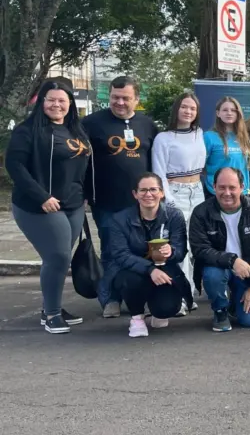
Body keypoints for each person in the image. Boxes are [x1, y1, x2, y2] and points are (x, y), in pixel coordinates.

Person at [5, 80, 91, 333]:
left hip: (73, 205)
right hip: (39, 206)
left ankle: (50, 306)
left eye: (62, 100)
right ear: (41, 102)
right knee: (58, 256)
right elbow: (15, 167)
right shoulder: (27, 130)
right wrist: (42, 196)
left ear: (70, 104)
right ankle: (51, 313)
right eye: (51, 100)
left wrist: (85, 195)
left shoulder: (75, 129)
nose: (57, 105)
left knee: (59, 259)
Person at [82, 76, 159, 317]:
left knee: (144, 251)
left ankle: (142, 297)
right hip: (106, 201)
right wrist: (83, 193)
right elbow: (80, 161)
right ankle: (110, 299)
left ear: (137, 99)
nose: (120, 102)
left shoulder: (148, 125)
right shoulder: (91, 123)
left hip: (143, 203)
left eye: (126, 98)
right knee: (111, 251)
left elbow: (156, 162)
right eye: (115, 97)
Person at [189, 167, 250, 331]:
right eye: (222, 187)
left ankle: (235, 303)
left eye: (232, 187)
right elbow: (200, 250)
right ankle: (220, 310)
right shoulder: (201, 212)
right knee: (213, 274)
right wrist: (232, 260)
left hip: (248, 271)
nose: (227, 192)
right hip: (220, 268)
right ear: (214, 186)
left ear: (242, 187)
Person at [107, 173, 190, 338]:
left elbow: (181, 251)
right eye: (143, 190)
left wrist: (172, 251)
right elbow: (120, 254)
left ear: (162, 192)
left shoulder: (174, 216)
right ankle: (137, 317)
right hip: (133, 272)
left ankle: (157, 310)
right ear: (135, 194)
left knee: (167, 309)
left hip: (165, 270)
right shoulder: (119, 219)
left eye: (153, 189)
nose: (148, 194)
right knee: (129, 280)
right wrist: (150, 269)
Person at [152, 90, 205, 304]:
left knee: (196, 244)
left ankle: (191, 291)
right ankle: (180, 296)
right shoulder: (163, 138)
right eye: (184, 107)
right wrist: (168, 199)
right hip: (175, 191)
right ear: (177, 109)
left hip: (198, 191)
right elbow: (158, 171)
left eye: (192, 108)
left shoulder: (200, 134)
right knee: (179, 245)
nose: (188, 111)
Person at [203, 96, 250, 196]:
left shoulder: (243, 136)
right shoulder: (209, 137)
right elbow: (200, 166)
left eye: (233, 110)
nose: (229, 113)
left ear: (238, 113)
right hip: (217, 194)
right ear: (218, 113)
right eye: (225, 110)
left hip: (242, 194)